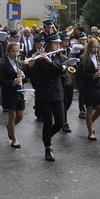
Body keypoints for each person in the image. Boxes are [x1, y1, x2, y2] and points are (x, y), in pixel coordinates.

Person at [30, 33, 70, 161]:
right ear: (49, 45)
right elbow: (30, 74)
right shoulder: (40, 58)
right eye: (55, 43)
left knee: (60, 122)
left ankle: (46, 137)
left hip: (58, 93)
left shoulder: (61, 58)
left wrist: (49, 61)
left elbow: (62, 70)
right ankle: (48, 147)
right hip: (44, 94)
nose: (59, 45)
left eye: (59, 43)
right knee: (48, 122)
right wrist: (31, 64)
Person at [0, 42, 26, 149]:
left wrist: (23, 76)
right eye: (13, 51)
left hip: (19, 92)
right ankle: (14, 140)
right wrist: (12, 82)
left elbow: (25, 79)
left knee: (20, 116)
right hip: (9, 92)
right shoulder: (4, 64)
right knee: (12, 116)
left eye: (17, 51)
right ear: (8, 52)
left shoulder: (20, 63)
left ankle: (10, 127)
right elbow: (0, 81)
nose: (15, 53)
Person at [78, 37, 100, 140]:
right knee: (89, 108)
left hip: (97, 85)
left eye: (97, 47)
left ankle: (89, 123)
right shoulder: (83, 58)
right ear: (89, 47)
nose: (96, 49)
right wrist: (93, 75)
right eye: (94, 47)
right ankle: (90, 132)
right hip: (87, 86)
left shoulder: (99, 58)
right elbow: (80, 74)